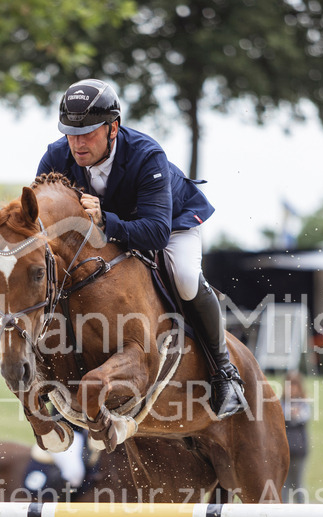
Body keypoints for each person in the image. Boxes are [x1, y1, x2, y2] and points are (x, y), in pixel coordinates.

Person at [36, 78, 245, 419]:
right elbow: (43, 219)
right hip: (106, 232)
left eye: (88, 132)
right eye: (71, 133)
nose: (77, 143)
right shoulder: (56, 156)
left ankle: (225, 372)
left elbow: (156, 232)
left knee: (186, 278)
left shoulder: (147, 155)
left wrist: (106, 222)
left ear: (113, 127)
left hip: (170, 225)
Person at [281, 371, 311, 503]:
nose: (291, 389)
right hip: (284, 449)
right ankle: (282, 512)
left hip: (299, 449)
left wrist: (293, 415)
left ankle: (301, 511)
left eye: (294, 386)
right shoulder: (281, 403)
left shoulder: (304, 403)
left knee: (298, 483)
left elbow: (304, 417)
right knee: (284, 484)